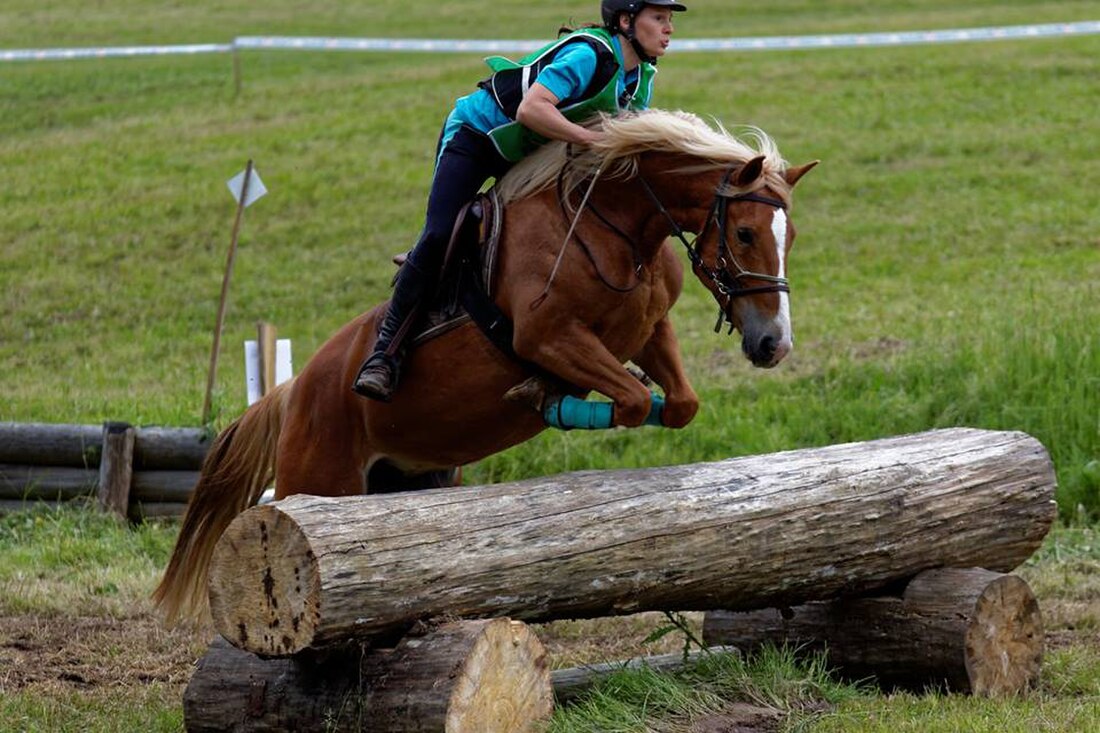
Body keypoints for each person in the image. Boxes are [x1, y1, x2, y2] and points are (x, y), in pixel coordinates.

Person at [353, 0, 687, 401]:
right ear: (626, 21)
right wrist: (589, 139)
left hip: (534, 152)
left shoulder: (641, 77)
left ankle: (580, 346)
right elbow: (532, 109)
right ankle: (385, 353)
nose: (668, 29)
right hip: (477, 138)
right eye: (659, 19)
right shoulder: (588, 55)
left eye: (669, 21)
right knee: (441, 232)